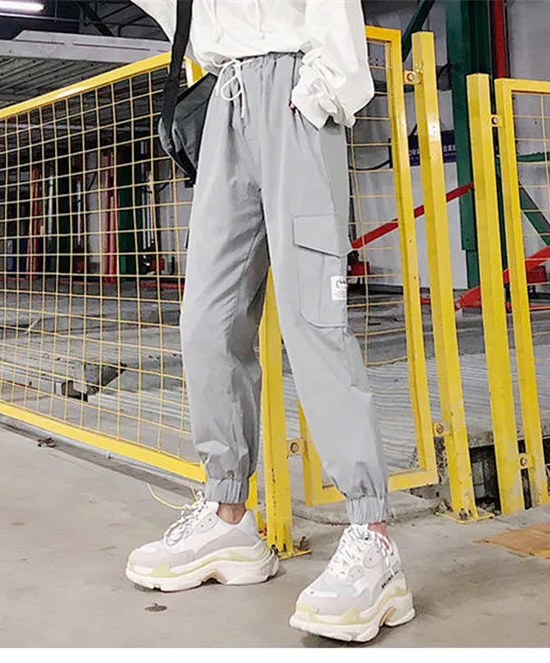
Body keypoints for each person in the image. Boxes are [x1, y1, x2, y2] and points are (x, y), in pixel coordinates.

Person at [125, 0, 414, 642]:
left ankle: (373, 538)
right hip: (224, 100)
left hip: (295, 94)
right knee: (207, 318)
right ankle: (229, 516)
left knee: (315, 321)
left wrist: (316, 95)